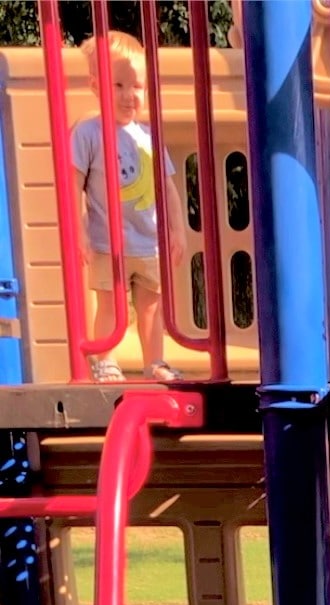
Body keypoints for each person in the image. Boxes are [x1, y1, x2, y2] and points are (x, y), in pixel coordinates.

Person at [71, 31, 188, 384]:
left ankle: (155, 362)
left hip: (148, 241)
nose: (128, 95)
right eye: (118, 85)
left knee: (151, 306)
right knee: (109, 302)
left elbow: (166, 186)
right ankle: (105, 360)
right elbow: (73, 185)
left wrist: (176, 228)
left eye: (135, 87)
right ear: (96, 86)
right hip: (109, 241)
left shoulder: (149, 136)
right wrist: (79, 232)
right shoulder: (88, 133)